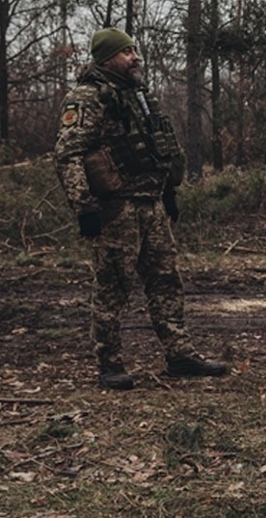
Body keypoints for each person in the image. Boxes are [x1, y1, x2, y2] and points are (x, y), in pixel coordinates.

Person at [54, 27, 229, 390]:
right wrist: (84, 207)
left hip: (151, 203)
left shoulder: (138, 94)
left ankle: (180, 354)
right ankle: (109, 362)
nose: (135, 57)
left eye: (134, 50)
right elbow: (69, 154)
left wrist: (169, 192)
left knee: (166, 280)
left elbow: (157, 145)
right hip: (116, 208)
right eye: (127, 52)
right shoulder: (87, 98)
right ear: (107, 58)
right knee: (113, 286)